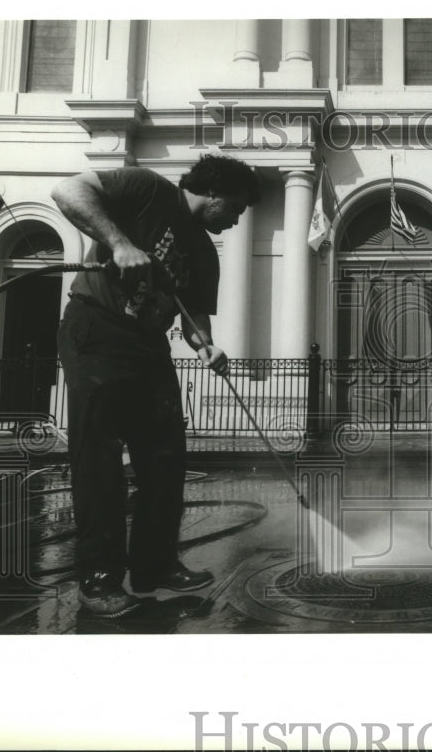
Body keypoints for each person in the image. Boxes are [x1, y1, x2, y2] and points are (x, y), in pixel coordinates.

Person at [52, 154, 261, 617]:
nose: (236, 219)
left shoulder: (205, 253)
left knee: (167, 458)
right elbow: (68, 191)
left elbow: (195, 320)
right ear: (215, 194)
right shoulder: (147, 188)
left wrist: (207, 345)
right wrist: (119, 243)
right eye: (237, 208)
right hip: (96, 329)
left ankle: (155, 565)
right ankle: (99, 579)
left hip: (147, 345)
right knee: (100, 460)